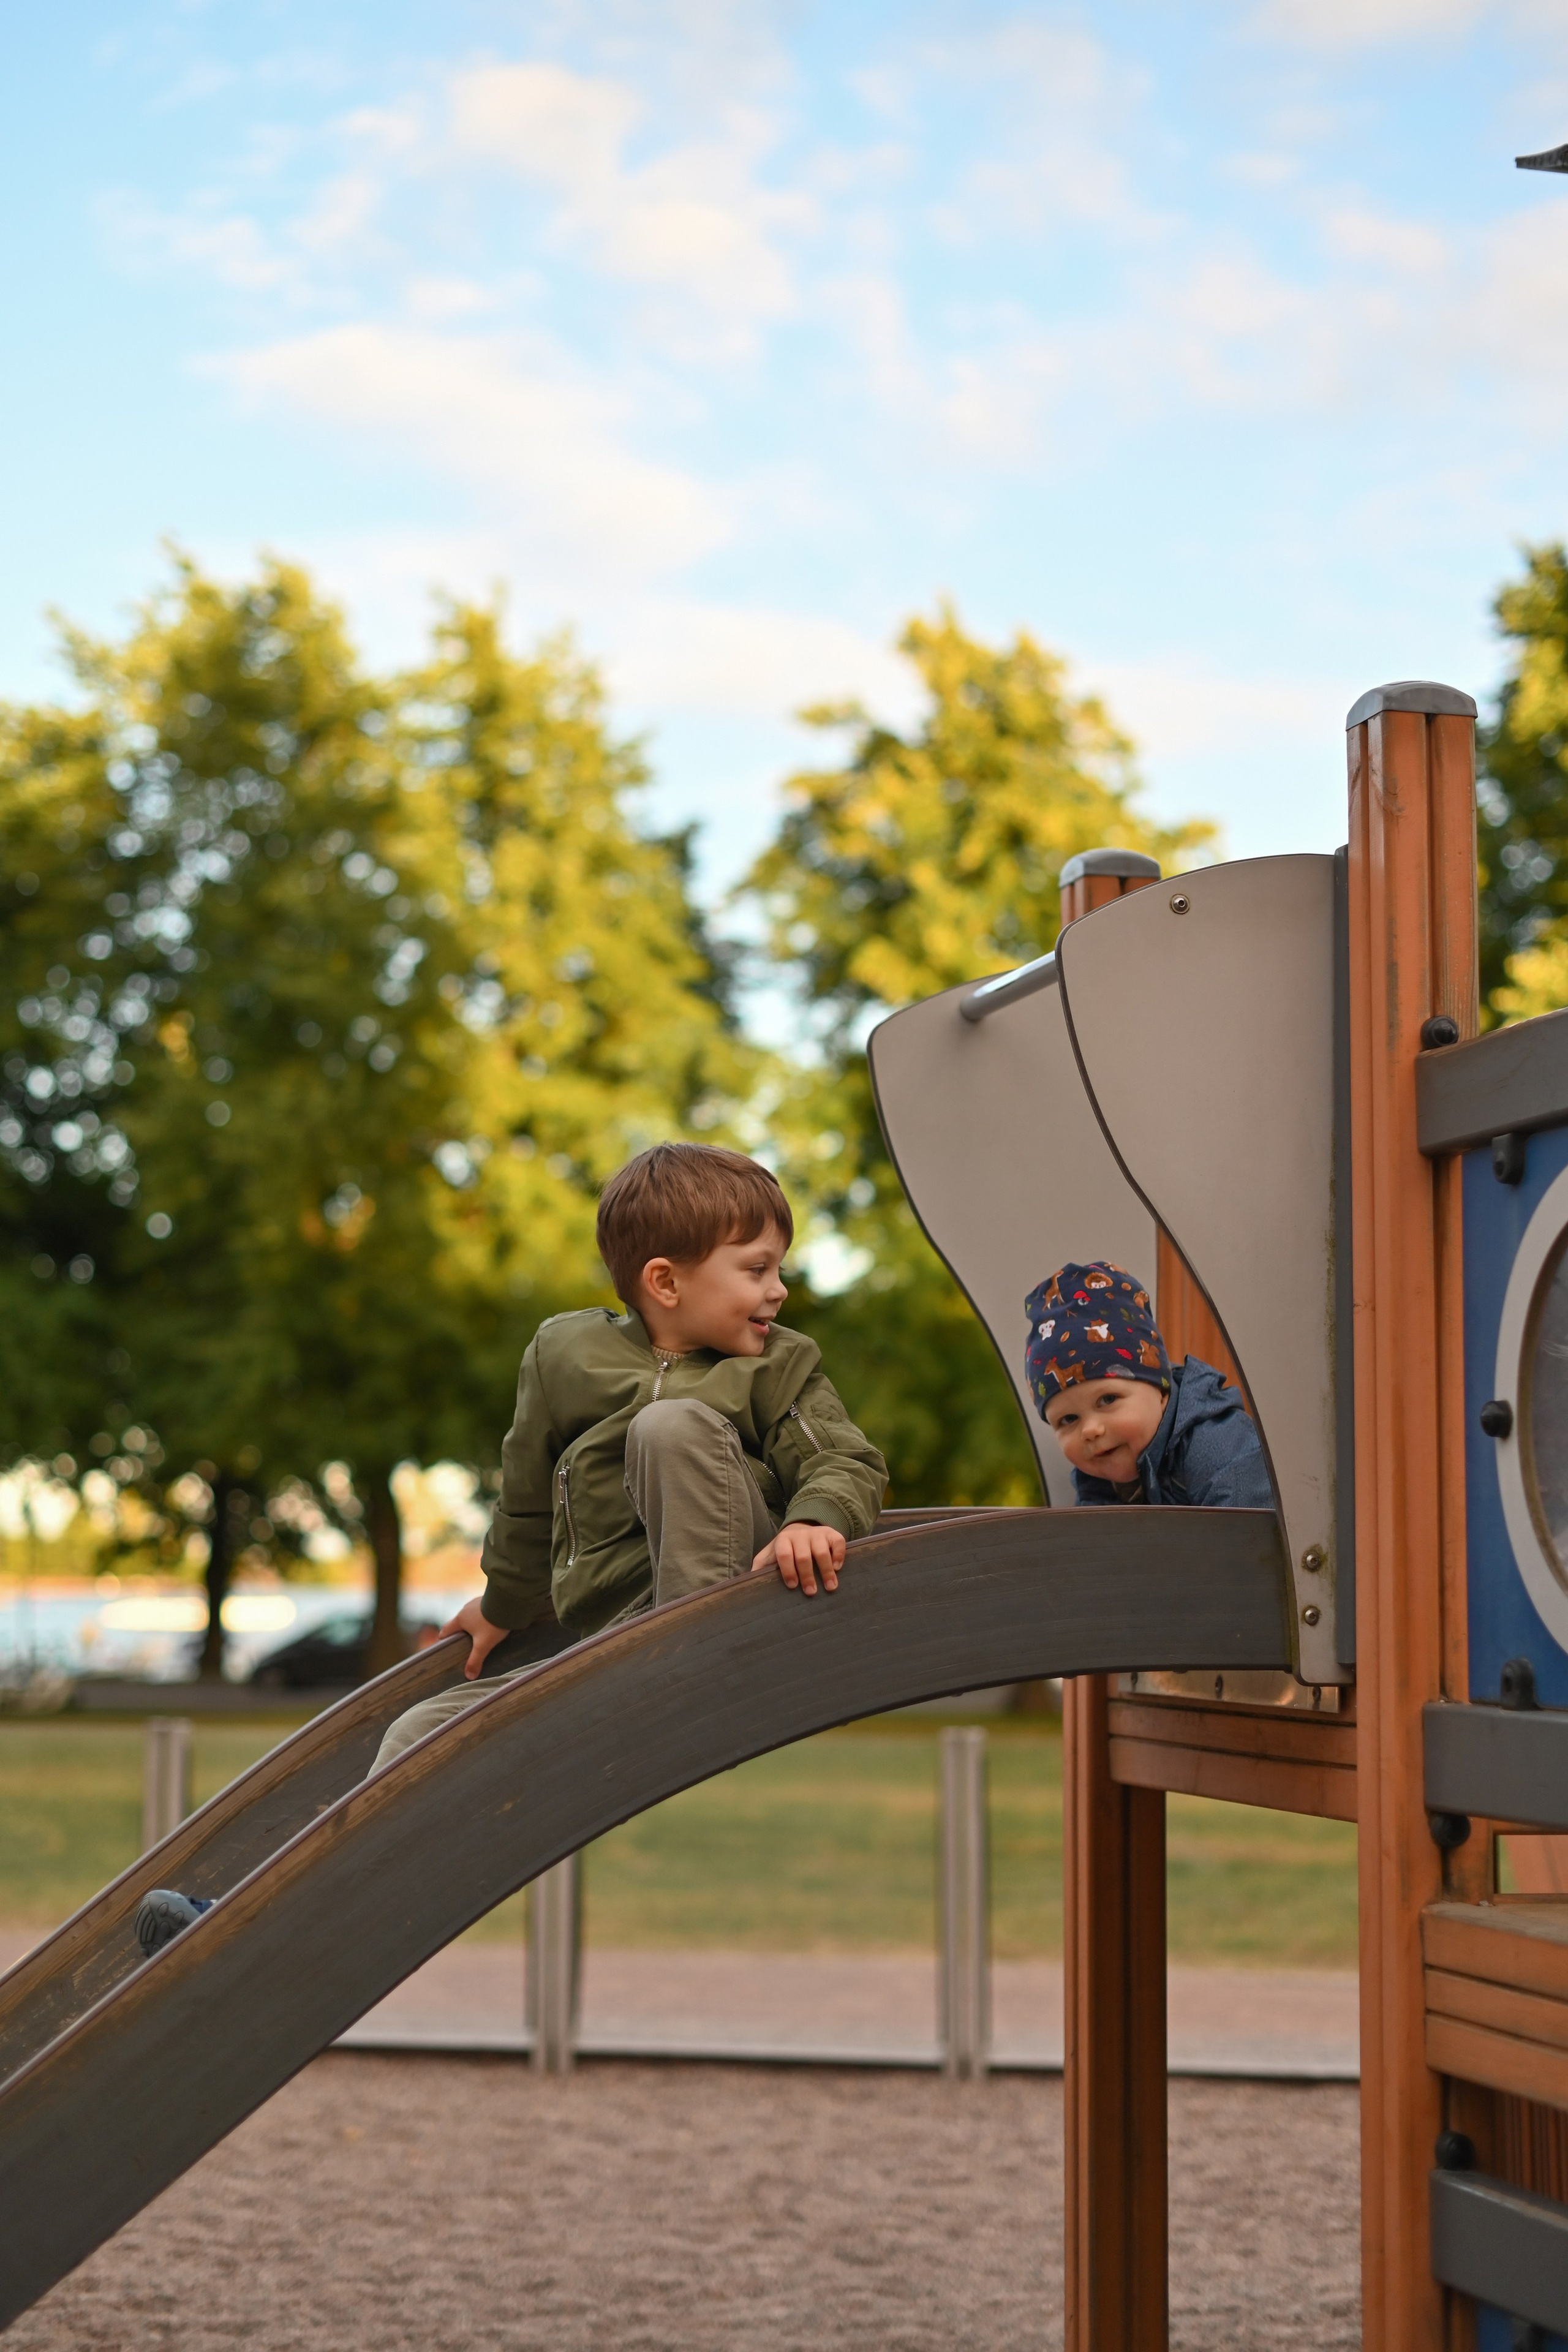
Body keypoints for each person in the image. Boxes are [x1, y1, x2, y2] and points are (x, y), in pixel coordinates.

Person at [136, 1143, 887, 1956]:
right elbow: (526, 1499)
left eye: (779, 1269)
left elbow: (845, 1461)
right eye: (756, 1269)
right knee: (420, 1731)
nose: (778, 1290)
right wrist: (503, 1603)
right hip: (618, 1638)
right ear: (665, 1282)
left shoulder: (779, 1366)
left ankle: (687, 1649)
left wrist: (816, 1518)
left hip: (726, 1603)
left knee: (668, 1428)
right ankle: (265, 1919)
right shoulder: (566, 1356)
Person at [1023, 1260, 1271, 1508]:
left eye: (1108, 1399)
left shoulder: (1218, 1446)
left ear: (1161, 1390)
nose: (1090, 1431)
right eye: (1068, 1419)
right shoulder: (1095, 1480)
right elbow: (1095, 1532)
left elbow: (1248, 1529)